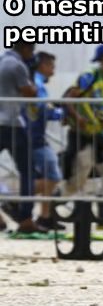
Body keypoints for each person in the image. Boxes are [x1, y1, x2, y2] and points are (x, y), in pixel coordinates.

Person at [61, 49, 103, 229]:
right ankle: (55, 205)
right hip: (82, 136)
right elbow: (69, 99)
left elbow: (101, 108)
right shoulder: (89, 77)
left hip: (99, 136)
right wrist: (78, 118)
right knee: (78, 178)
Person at [0, 40, 40, 232]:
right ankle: (25, 218)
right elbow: (30, 93)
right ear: (25, 48)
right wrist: (33, 79)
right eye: (31, 50)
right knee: (28, 171)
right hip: (12, 124)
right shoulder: (17, 65)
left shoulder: (1, 60)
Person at [26, 52, 63, 229]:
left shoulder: (35, 81)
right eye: (51, 67)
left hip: (34, 136)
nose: (53, 72)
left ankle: (45, 215)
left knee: (46, 176)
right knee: (53, 176)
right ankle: (11, 197)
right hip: (34, 137)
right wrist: (62, 114)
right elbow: (42, 109)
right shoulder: (37, 83)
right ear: (42, 65)